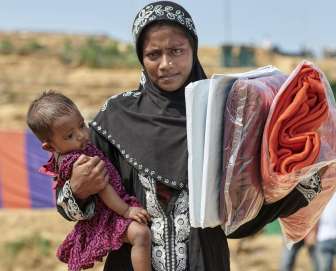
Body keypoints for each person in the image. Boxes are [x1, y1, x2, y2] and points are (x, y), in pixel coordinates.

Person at [54, 1, 322, 270]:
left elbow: (251, 195)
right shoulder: (115, 117)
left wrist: (304, 172)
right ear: (140, 56)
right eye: (153, 54)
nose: (165, 64)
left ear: (193, 50)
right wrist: (77, 189)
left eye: (176, 51)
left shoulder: (226, 114)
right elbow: (69, 207)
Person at [26, 91, 152, 271]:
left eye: (82, 125)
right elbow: (102, 186)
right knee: (140, 234)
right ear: (50, 146)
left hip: (116, 207)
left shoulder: (81, 148)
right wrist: (126, 210)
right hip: (109, 213)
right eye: (69, 135)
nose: (81, 135)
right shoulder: (78, 160)